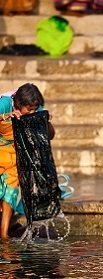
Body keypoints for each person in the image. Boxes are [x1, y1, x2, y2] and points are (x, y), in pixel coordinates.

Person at [0, 83, 55, 239]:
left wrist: (46, 122)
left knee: (11, 188)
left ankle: (4, 234)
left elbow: (50, 135)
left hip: (13, 153)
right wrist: (5, 116)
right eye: (29, 110)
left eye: (34, 109)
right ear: (18, 105)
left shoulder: (35, 108)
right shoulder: (4, 103)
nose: (32, 112)